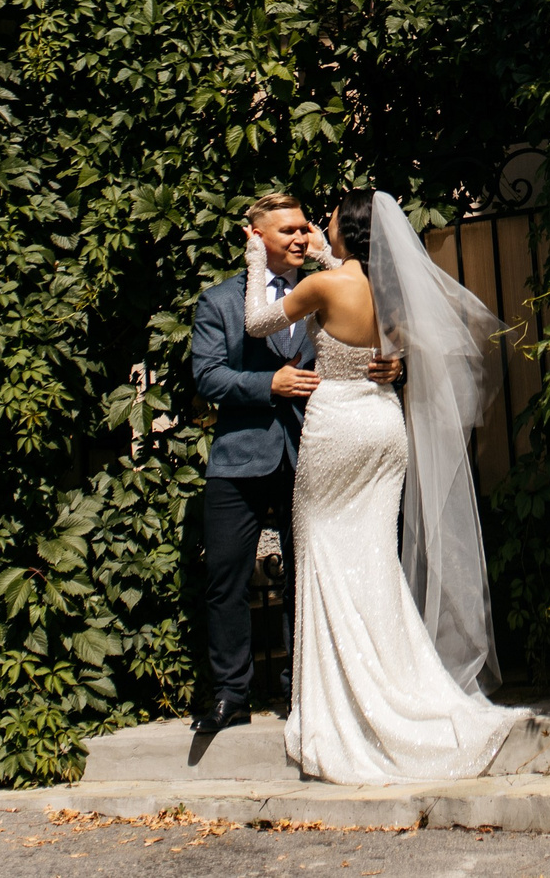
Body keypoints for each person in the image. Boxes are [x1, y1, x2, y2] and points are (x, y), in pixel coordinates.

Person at [245, 190, 525, 782]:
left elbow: (257, 321)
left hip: (338, 428)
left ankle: (343, 703)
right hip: (384, 426)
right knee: (374, 557)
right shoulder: (391, 292)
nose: (318, 230)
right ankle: (405, 683)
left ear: (344, 231)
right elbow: (383, 332)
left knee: (322, 552)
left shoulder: (323, 287)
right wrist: (330, 260)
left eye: (326, 224)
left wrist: (254, 260)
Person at [188, 191, 401, 736]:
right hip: (240, 458)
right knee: (226, 576)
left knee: (311, 570)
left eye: (306, 227)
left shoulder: (339, 284)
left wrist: (389, 366)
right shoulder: (218, 301)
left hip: (317, 449)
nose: (302, 237)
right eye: (288, 230)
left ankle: (302, 688)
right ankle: (232, 694)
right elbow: (208, 377)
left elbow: (375, 344)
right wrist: (269, 383)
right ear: (257, 237)